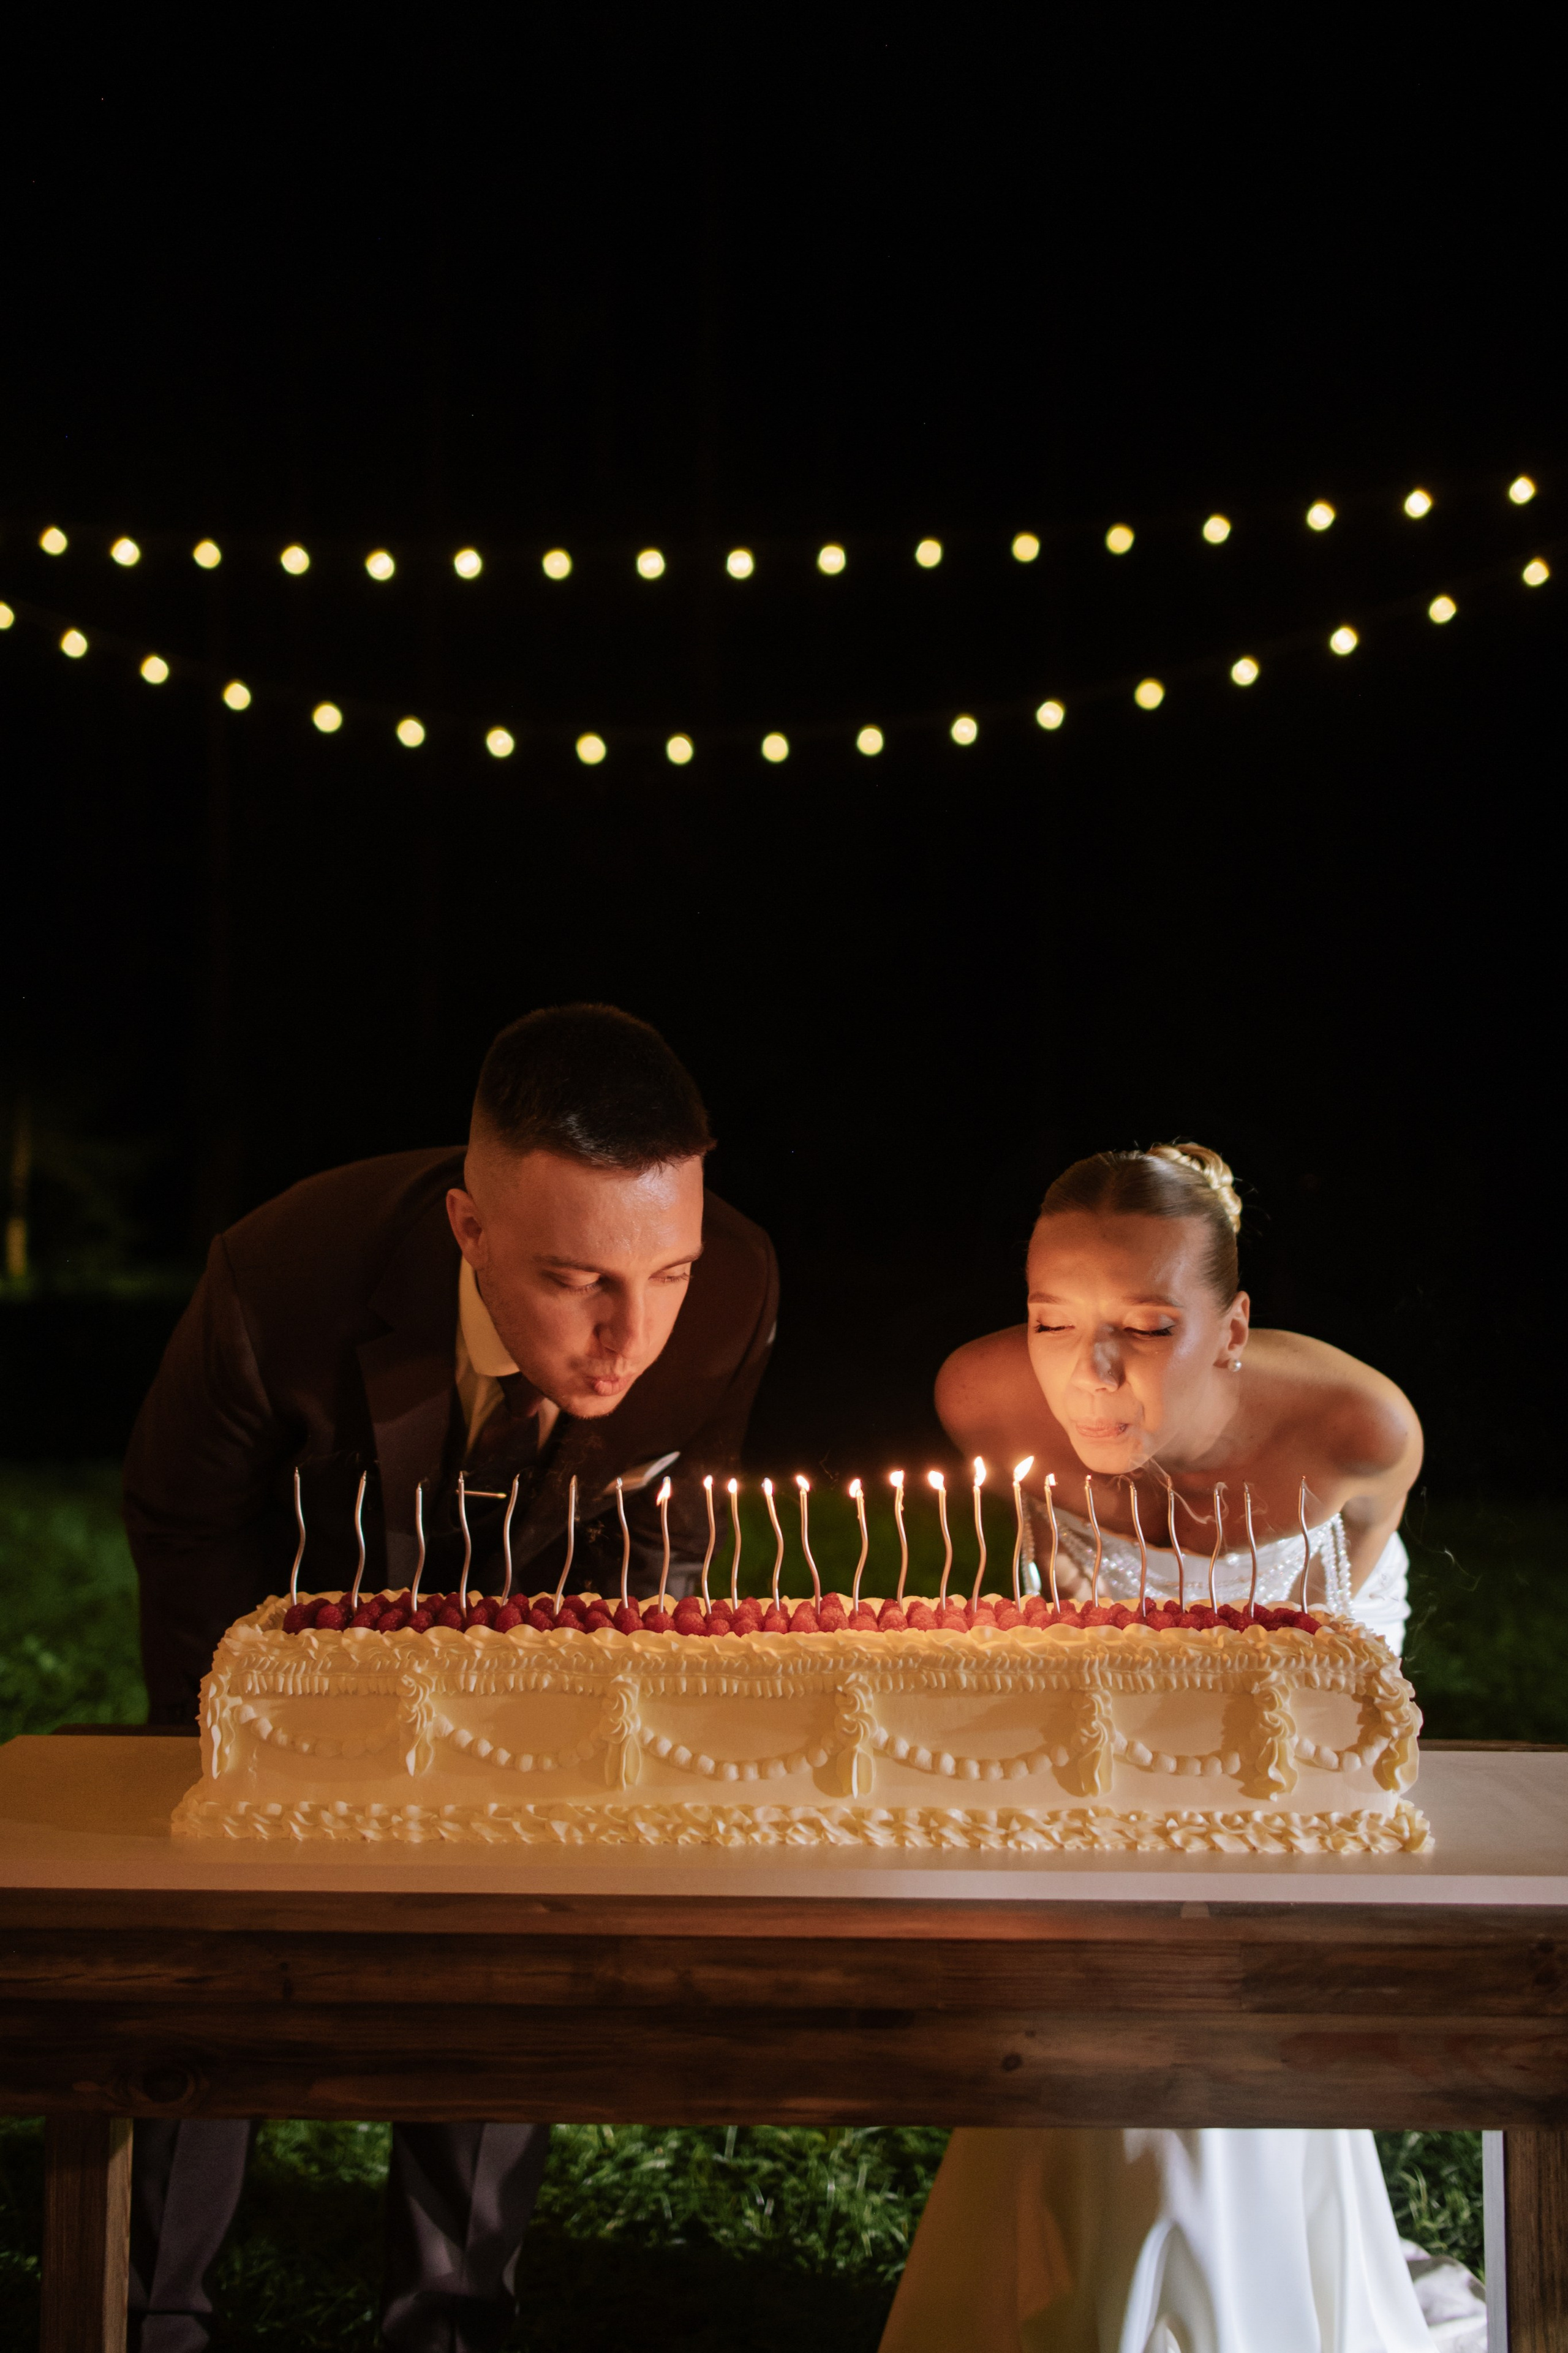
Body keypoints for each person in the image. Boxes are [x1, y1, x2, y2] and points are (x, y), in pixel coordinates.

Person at [122, 1004, 778, 2353]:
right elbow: (185, 1514)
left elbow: (666, 1549)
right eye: (577, 1280)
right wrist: (250, 1739)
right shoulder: (280, 1278)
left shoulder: (730, 1292)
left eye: (666, 1272)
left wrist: (586, 1724)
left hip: (536, 1643)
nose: (631, 1333)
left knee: (506, 1937)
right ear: (468, 1231)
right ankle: (149, 2307)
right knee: (213, 1959)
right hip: (287, 1643)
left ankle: (449, 2315)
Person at [880, 1143, 1445, 2353]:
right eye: (1050, 1320)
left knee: (1216, 1960)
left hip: (1296, 1670)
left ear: (1230, 1328)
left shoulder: (1355, 1424)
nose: (1086, 1371)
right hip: (1099, 1680)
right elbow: (1035, 1521)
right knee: (1085, 1934)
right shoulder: (980, 1393)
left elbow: (1337, 1642)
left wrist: (1260, 1694)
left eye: (1142, 1326)